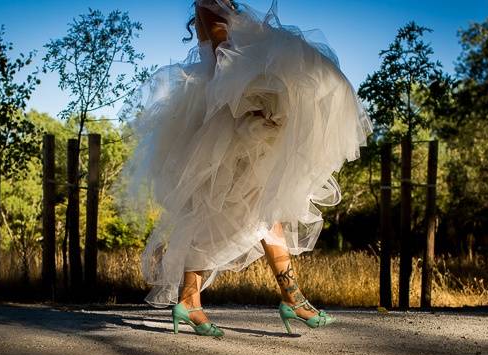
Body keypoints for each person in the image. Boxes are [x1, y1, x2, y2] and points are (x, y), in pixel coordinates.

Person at [118, 0, 372, 336]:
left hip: (235, 119)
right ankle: (264, 300)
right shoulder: (209, 4)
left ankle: (221, 301)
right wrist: (255, 107)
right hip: (228, 122)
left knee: (259, 210)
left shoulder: (221, 5)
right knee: (226, 211)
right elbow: (227, 60)